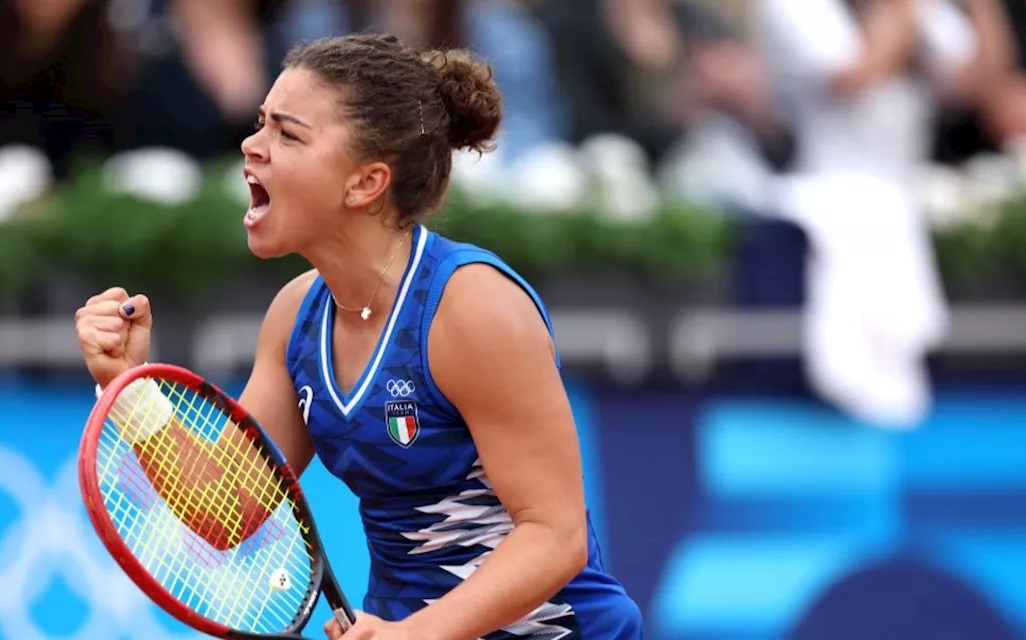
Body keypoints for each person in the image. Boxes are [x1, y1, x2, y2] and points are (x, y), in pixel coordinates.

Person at [74, 33, 643, 640]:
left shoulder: (472, 309)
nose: (251, 145)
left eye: (287, 134)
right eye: (261, 123)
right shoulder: (296, 316)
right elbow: (228, 509)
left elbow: (555, 537)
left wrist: (413, 635)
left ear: (365, 183)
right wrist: (127, 386)